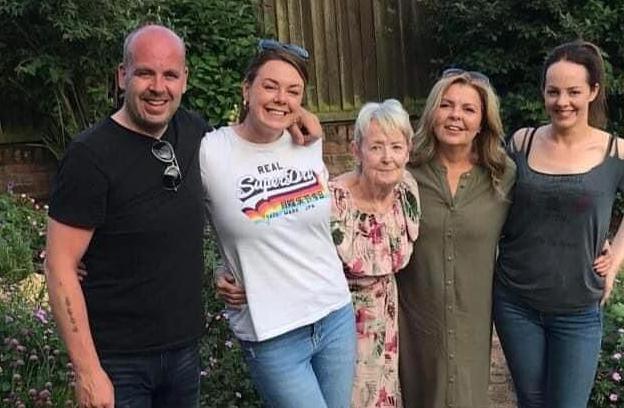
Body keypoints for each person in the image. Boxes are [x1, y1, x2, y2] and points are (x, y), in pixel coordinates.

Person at [45, 25, 322, 408]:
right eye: (145, 73)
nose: (159, 87)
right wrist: (88, 371)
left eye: (170, 75)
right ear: (122, 76)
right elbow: (60, 266)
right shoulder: (90, 156)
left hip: (184, 354)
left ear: (184, 80)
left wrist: (292, 111)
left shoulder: (194, 134)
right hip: (118, 362)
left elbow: (242, 163)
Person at [493, 40, 624, 408]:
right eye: (553, 91)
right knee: (531, 402)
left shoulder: (619, 153)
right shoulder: (521, 142)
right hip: (516, 302)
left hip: (579, 307)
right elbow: (489, 200)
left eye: (574, 91)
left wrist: (616, 260)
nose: (562, 101)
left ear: (593, 91)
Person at [200, 40, 355, 408]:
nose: (280, 98)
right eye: (269, 86)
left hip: (334, 315)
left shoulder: (307, 142)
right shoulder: (211, 151)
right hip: (272, 332)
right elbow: (174, 219)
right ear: (246, 89)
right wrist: (214, 269)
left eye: (293, 91)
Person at [395, 69, 516, 408]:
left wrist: (599, 243)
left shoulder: (503, 175)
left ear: (483, 122)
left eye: (468, 109)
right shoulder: (404, 172)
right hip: (413, 322)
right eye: (446, 105)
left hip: (472, 324)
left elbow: (538, 226)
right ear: (432, 112)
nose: (455, 116)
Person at [329, 99, 420, 407]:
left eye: (396, 147)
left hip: (388, 333)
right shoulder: (333, 201)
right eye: (376, 147)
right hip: (341, 334)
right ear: (357, 150)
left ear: (408, 151)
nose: (387, 158)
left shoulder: (407, 191)